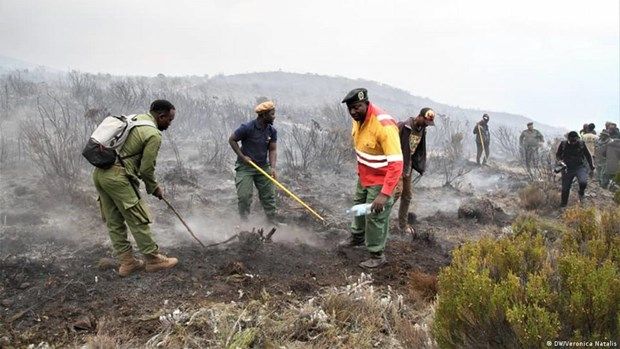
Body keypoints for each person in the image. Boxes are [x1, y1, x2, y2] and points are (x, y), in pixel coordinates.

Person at [93, 100, 178, 277]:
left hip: (100, 174)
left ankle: (127, 263)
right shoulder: (153, 134)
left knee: (114, 221)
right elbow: (146, 169)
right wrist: (154, 188)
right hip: (117, 177)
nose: (169, 124)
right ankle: (153, 260)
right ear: (161, 116)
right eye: (169, 120)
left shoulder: (135, 119)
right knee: (137, 218)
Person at [339, 88, 403, 268]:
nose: (353, 112)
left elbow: (396, 164)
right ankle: (357, 236)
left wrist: (384, 194)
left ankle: (376, 254)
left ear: (366, 103)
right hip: (364, 176)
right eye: (350, 108)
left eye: (357, 107)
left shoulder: (384, 125)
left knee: (375, 216)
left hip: (381, 179)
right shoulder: (357, 120)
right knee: (359, 208)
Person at [228, 101, 278, 222]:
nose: (274, 116)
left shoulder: (272, 131)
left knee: (269, 197)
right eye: (272, 114)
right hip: (245, 167)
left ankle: (272, 221)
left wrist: (272, 167)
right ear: (263, 115)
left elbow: (272, 149)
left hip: (263, 166)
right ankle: (244, 222)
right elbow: (232, 140)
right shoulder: (247, 127)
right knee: (244, 197)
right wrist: (243, 157)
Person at [393, 108, 435, 235]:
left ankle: (403, 225)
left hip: (408, 166)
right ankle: (380, 218)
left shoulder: (422, 130)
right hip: (396, 164)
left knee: (407, 195)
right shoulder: (403, 126)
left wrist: (419, 165)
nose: (426, 125)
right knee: (396, 192)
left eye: (428, 124)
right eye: (425, 122)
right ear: (420, 116)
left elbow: (418, 149)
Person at [556, 131, 595, 207]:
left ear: (577, 139)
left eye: (575, 141)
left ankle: (581, 193)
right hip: (567, 168)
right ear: (568, 139)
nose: (573, 143)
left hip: (579, 167)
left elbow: (588, 155)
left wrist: (591, 166)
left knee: (583, 182)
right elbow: (558, 155)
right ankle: (563, 205)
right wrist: (560, 161)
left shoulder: (581, 144)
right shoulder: (563, 144)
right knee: (565, 189)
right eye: (571, 141)